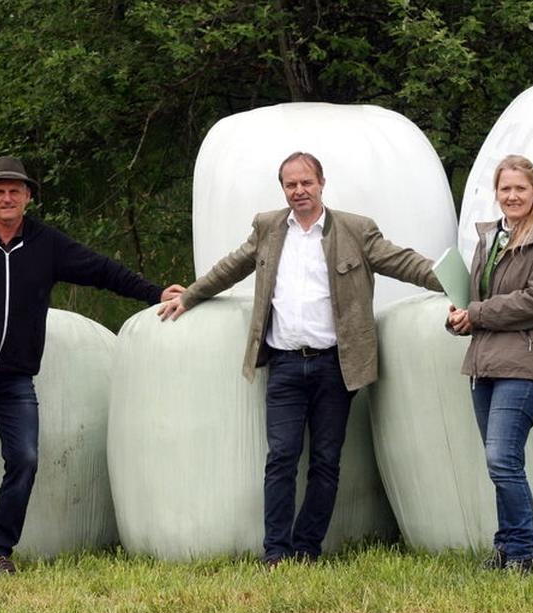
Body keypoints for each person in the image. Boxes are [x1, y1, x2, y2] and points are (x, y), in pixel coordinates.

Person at [158, 151, 443, 567]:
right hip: (286, 365)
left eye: (306, 182)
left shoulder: (356, 230)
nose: (299, 191)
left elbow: (404, 262)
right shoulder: (268, 228)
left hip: (336, 365)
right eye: (291, 185)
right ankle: (275, 552)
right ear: (283, 189)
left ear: (322, 183)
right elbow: (231, 267)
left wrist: (457, 282)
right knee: (281, 458)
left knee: (326, 462)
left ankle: (307, 549)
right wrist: (190, 295)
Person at [0, 156, 184, 575]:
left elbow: (101, 270)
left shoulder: (45, 244)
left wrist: (154, 293)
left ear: (27, 197)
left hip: (14, 378)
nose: (7, 198)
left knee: (24, 459)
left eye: (15, 191)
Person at [446, 154, 533, 574]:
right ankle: (505, 548)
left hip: (525, 362)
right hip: (484, 363)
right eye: (505, 189)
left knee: (502, 458)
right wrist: (460, 316)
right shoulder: (489, 240)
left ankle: (522, 553)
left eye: (520, 188)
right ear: (496, 194)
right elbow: (477, 298)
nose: (512, 195)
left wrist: (478, 313)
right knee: (500, 461)